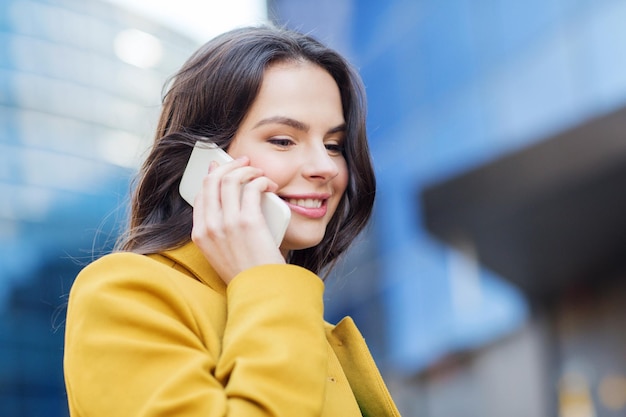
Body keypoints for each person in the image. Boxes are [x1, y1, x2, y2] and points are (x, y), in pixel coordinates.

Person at [63, 25, 401, 417]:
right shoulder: (126, 294)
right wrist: (267, 283)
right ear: (205, 161)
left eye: (334, 146)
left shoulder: (301, 323)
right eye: (283, 140)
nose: (325, 167)